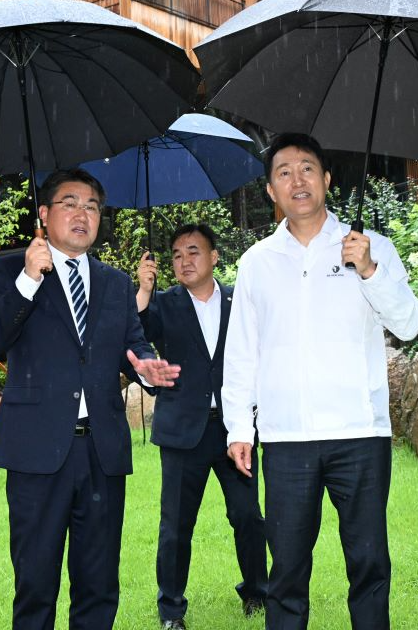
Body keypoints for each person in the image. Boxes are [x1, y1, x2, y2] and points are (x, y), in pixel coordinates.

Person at [223, 134, 418, 630]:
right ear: (271, 191)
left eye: (307, 168)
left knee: (369, 563)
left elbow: (409, 324)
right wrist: (239, 427)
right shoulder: (257, 263)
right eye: (284, 172)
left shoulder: (369, 248)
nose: (298, 180)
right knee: (287, 571)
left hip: (360, 433)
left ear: (327, 179)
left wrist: (369, 270)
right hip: (286, 439)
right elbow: (242, 352)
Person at [0, 168, 181, 630]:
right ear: (44, 214)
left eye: (92, 206)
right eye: (69, 203)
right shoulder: (12, 268)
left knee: (98, 584)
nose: (82, 214)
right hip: (37, 452)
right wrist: (29, 278)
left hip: (101, 451)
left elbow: (134, 344)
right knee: (35, 583)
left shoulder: (114, 283)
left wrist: (146, 367)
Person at [135, 224, 267, 629]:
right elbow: (135, 332)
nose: (184, 261)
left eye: (193, 251)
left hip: (234, 429)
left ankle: (257, 593)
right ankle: (171, 610)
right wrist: (143, 290)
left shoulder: (237, 300)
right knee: (176, 525)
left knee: (247, 516)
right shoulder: (162, 303)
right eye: (176, 255)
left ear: (214, 257)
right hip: (182, 432)